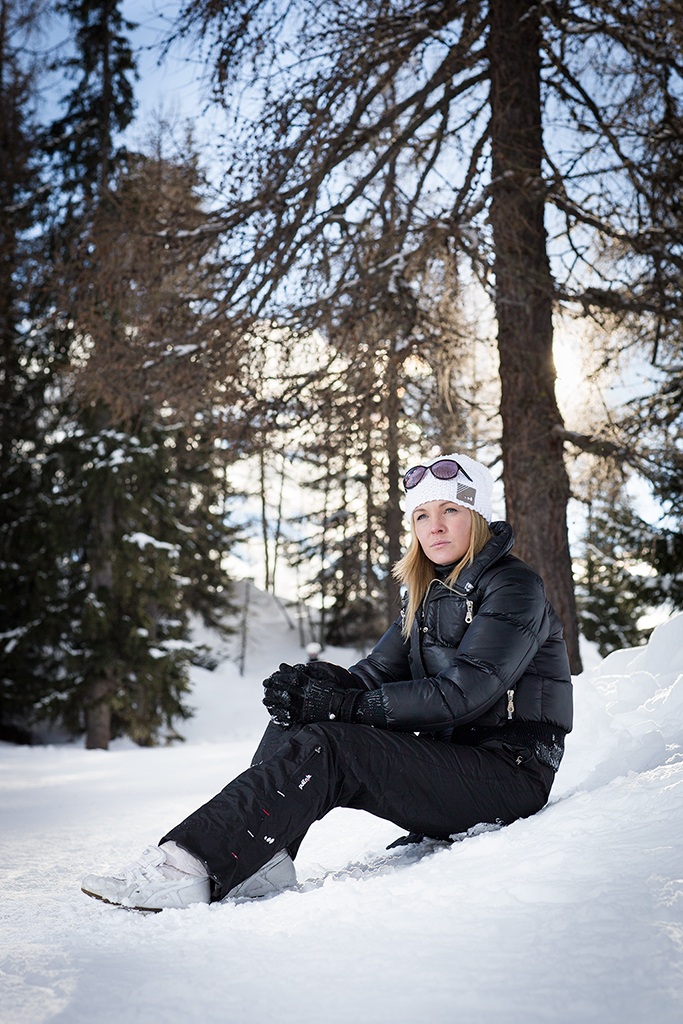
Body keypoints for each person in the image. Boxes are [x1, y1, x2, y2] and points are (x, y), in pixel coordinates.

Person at [81, 452, 573, 911]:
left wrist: (341, 707)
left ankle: (189, 866)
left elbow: (463, 694)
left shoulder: (515, 586)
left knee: (333, 740)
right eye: (422, 515)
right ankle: (263, 862)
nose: (435, 526)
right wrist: (310, 689)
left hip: (507, 775)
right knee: (310, 701)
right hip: (453, 766)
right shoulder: (426, 593)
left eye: (450, 511)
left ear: (478, 518)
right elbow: (374, 674)